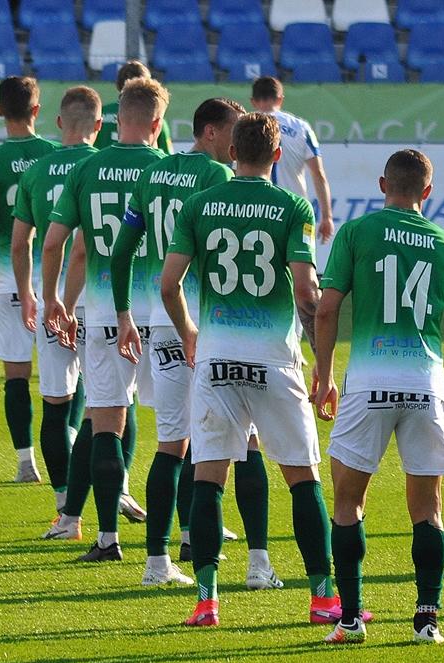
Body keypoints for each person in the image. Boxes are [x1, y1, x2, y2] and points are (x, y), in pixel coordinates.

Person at [161, 112, 363, 627]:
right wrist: (323, 365)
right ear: (277, 156)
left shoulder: (199, 205)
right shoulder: (293, 207)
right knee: (302, 477)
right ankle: (322, 598)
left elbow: (168, 285)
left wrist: (189, 332)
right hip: (273, 358)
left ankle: (206, 601)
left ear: (232, 152)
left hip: (216, 357)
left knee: (208, 478)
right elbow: (306, 291)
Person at [112, 97, 283, 588]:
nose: (236, 146)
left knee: (172, 442)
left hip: (160, 320)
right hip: (208, 324)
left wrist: (124, 313)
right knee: (245, 441)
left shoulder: (153, 174)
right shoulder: (219, 179)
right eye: (230, 134)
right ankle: (258, 562)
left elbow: (121, 251)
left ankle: (158, 562)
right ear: (210, 132)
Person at [314, 149, 444, 645]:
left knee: (348, 502)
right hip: (425, 386)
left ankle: (350, 620)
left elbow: (326, 310)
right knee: (428, 508)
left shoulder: (356, 233)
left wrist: (324, 375)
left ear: (382, 183)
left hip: (368, 382)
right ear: (427, 191)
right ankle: (427, 620)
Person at [41, 77, 168, 562]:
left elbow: (58, 245)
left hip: (104, 314)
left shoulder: (88, 168)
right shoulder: (167, 170)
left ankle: (106, 537)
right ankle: (190, 534)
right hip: (164, 315)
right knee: (181, 431)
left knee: (104, 421)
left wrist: (56, 300)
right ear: (157, 122)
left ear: (116, 120)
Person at [11, 86, 102, 513]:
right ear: (99, 125)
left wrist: (32, 295)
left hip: (52, 302)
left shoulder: (36, 171)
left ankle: (66, 507)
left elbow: (20, 243)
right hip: (99, 299)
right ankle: (114, 491)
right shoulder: (105, 166)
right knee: (109, 405)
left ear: (60, 122)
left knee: (54, 403)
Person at [0, 76, 58, 482]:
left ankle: (25, 462)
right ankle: (66, 444)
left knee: (16, 376)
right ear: (37, 110)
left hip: (10, 283)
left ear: (0, 111)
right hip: (55, 284)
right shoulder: (55, 156)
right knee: (65, 375)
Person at [249, 76, 334, 243]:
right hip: (295, 210)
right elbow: (318, 174)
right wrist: (327, 216)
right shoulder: (301, 127)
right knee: (301, 256)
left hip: (258, 211)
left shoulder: (245, 126)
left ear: (253, 101)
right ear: (280, 99)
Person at [94, 60, 174, 155]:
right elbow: (167, 157)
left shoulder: (100, 114)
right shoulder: (155, 119)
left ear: (118, 84)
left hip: (104, 163)